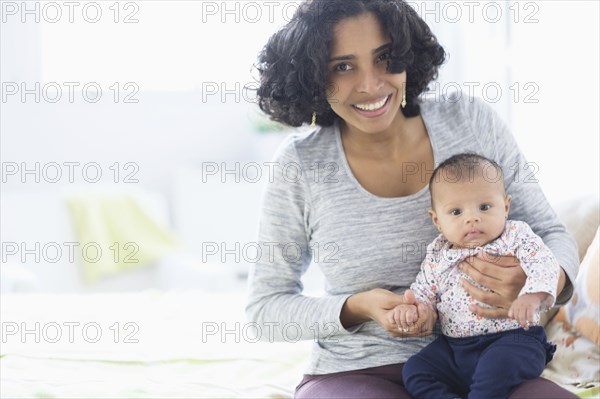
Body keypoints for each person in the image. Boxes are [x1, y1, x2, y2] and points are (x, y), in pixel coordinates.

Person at [245, 1, 579, 397]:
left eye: (385, 57)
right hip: (360, 370)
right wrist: (356, 306)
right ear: (314, 76)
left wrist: (543, 281)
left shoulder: (469, 121)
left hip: (492, 360)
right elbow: (265, 311)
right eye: (343, 66)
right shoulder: (300, 164)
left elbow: (549, 232)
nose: (371, 84)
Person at [390, 153, 560, 398]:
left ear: (506, 206)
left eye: (484, 207)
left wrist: (532, 295)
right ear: (437, 220)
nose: (472, 218)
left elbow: (544, 263)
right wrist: (414, 310)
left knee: (497, 367)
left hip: (513, 340)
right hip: (454, 349)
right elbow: (423, 291)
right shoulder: (438, 253)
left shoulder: (515, 236)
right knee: (416, 370)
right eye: (456, 212)